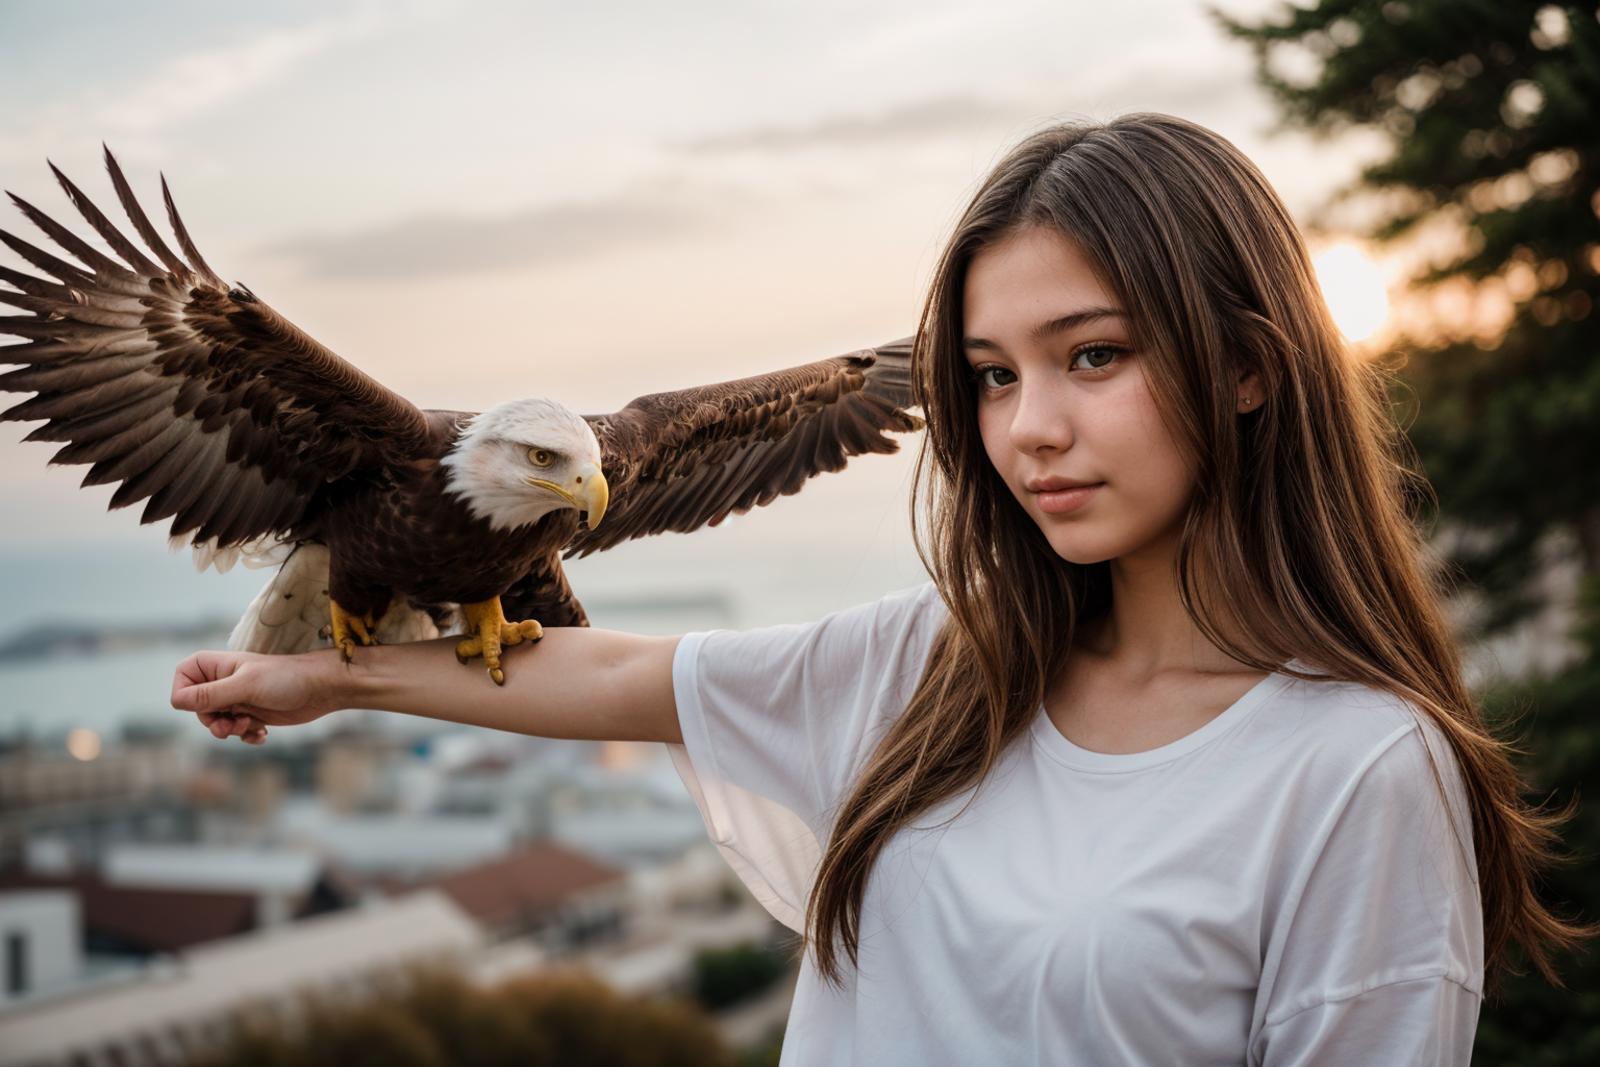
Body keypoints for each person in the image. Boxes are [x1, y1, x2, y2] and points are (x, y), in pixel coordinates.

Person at [170, 112, 1590, 1065]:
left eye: (1092, 355)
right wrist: (323, 677)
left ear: (1249, 366)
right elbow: (610, 673)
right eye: (989, 375)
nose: (1028, 426)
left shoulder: (1358, 773)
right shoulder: (946, 663)